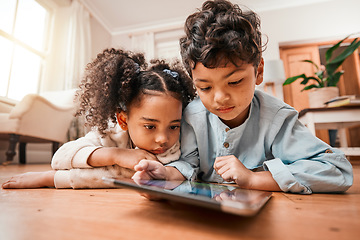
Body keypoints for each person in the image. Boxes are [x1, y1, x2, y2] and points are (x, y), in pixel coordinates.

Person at [133, 0, 353, 194]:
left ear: (258, 72)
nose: (219, 98)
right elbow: (189, 163)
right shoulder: (191, 115)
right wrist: (165, 175)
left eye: (235, 82)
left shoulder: (277, 119)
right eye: (205, 87)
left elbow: (337, 170)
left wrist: (254, 178)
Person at [2, 48, 196, 189]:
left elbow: (184, 169)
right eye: (150, 126)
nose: (163, 138)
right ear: (123, 120)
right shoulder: (110, 133)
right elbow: (60, 158)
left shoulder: (176, 147)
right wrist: (116, 155)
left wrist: (56, 179)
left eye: (173, 126)